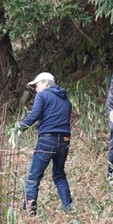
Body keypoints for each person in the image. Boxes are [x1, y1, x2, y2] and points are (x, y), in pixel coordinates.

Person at [18, 72, 73, 216]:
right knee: (59, 175)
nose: (35, 89)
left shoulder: (42, 96)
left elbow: (34, 114)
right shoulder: (66, 99)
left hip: (47, 140)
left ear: (46, 83)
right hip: (65, 140)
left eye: (37, 85)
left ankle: (29, 213)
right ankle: (69, 208)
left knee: (33, 177)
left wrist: (19, 128)